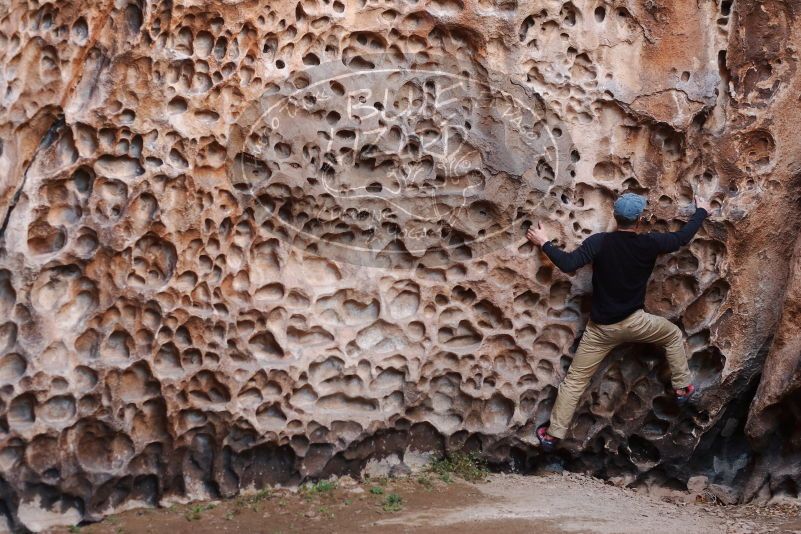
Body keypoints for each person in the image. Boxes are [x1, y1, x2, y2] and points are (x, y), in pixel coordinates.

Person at [525, 192, 711, 451]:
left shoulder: (599, 243)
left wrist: (544, 242)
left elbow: (568, 263)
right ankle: (682, 387)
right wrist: (701, 211)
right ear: (640, 219)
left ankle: (552, 434)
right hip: (636, 322)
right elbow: (681, 238)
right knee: (671, 335)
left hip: (600, 330)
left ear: (614, 215)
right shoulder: (649, 243)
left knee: (575, 382)